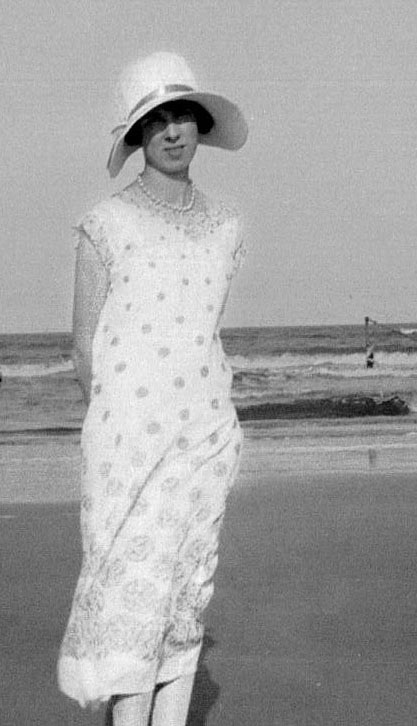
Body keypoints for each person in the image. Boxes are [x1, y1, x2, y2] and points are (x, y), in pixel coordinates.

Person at [57, 51, 248, 726]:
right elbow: (85, 345)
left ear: (200, 126)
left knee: (185, 595)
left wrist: (207, 423)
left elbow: (200, 337)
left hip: (203, 441)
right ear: (137, 136)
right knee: (131, 599)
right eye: (154, 121)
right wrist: (120, 425)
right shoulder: (104, 225)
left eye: (182, 117)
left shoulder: (226, 228)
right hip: (128, 446)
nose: (172, 132)